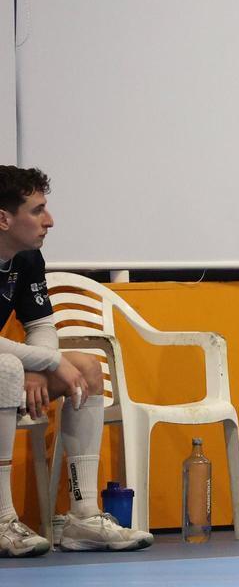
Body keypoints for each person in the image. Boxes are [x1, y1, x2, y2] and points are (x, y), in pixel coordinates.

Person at [0, 166, 153, 556]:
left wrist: (44, 362)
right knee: (7, 368)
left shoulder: (27, 257)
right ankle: (1, 521)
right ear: (3, 218)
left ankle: (82, 517)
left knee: (84, 366)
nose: (49, 221)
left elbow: (41, 323)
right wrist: (45, 362)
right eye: (37, 210)